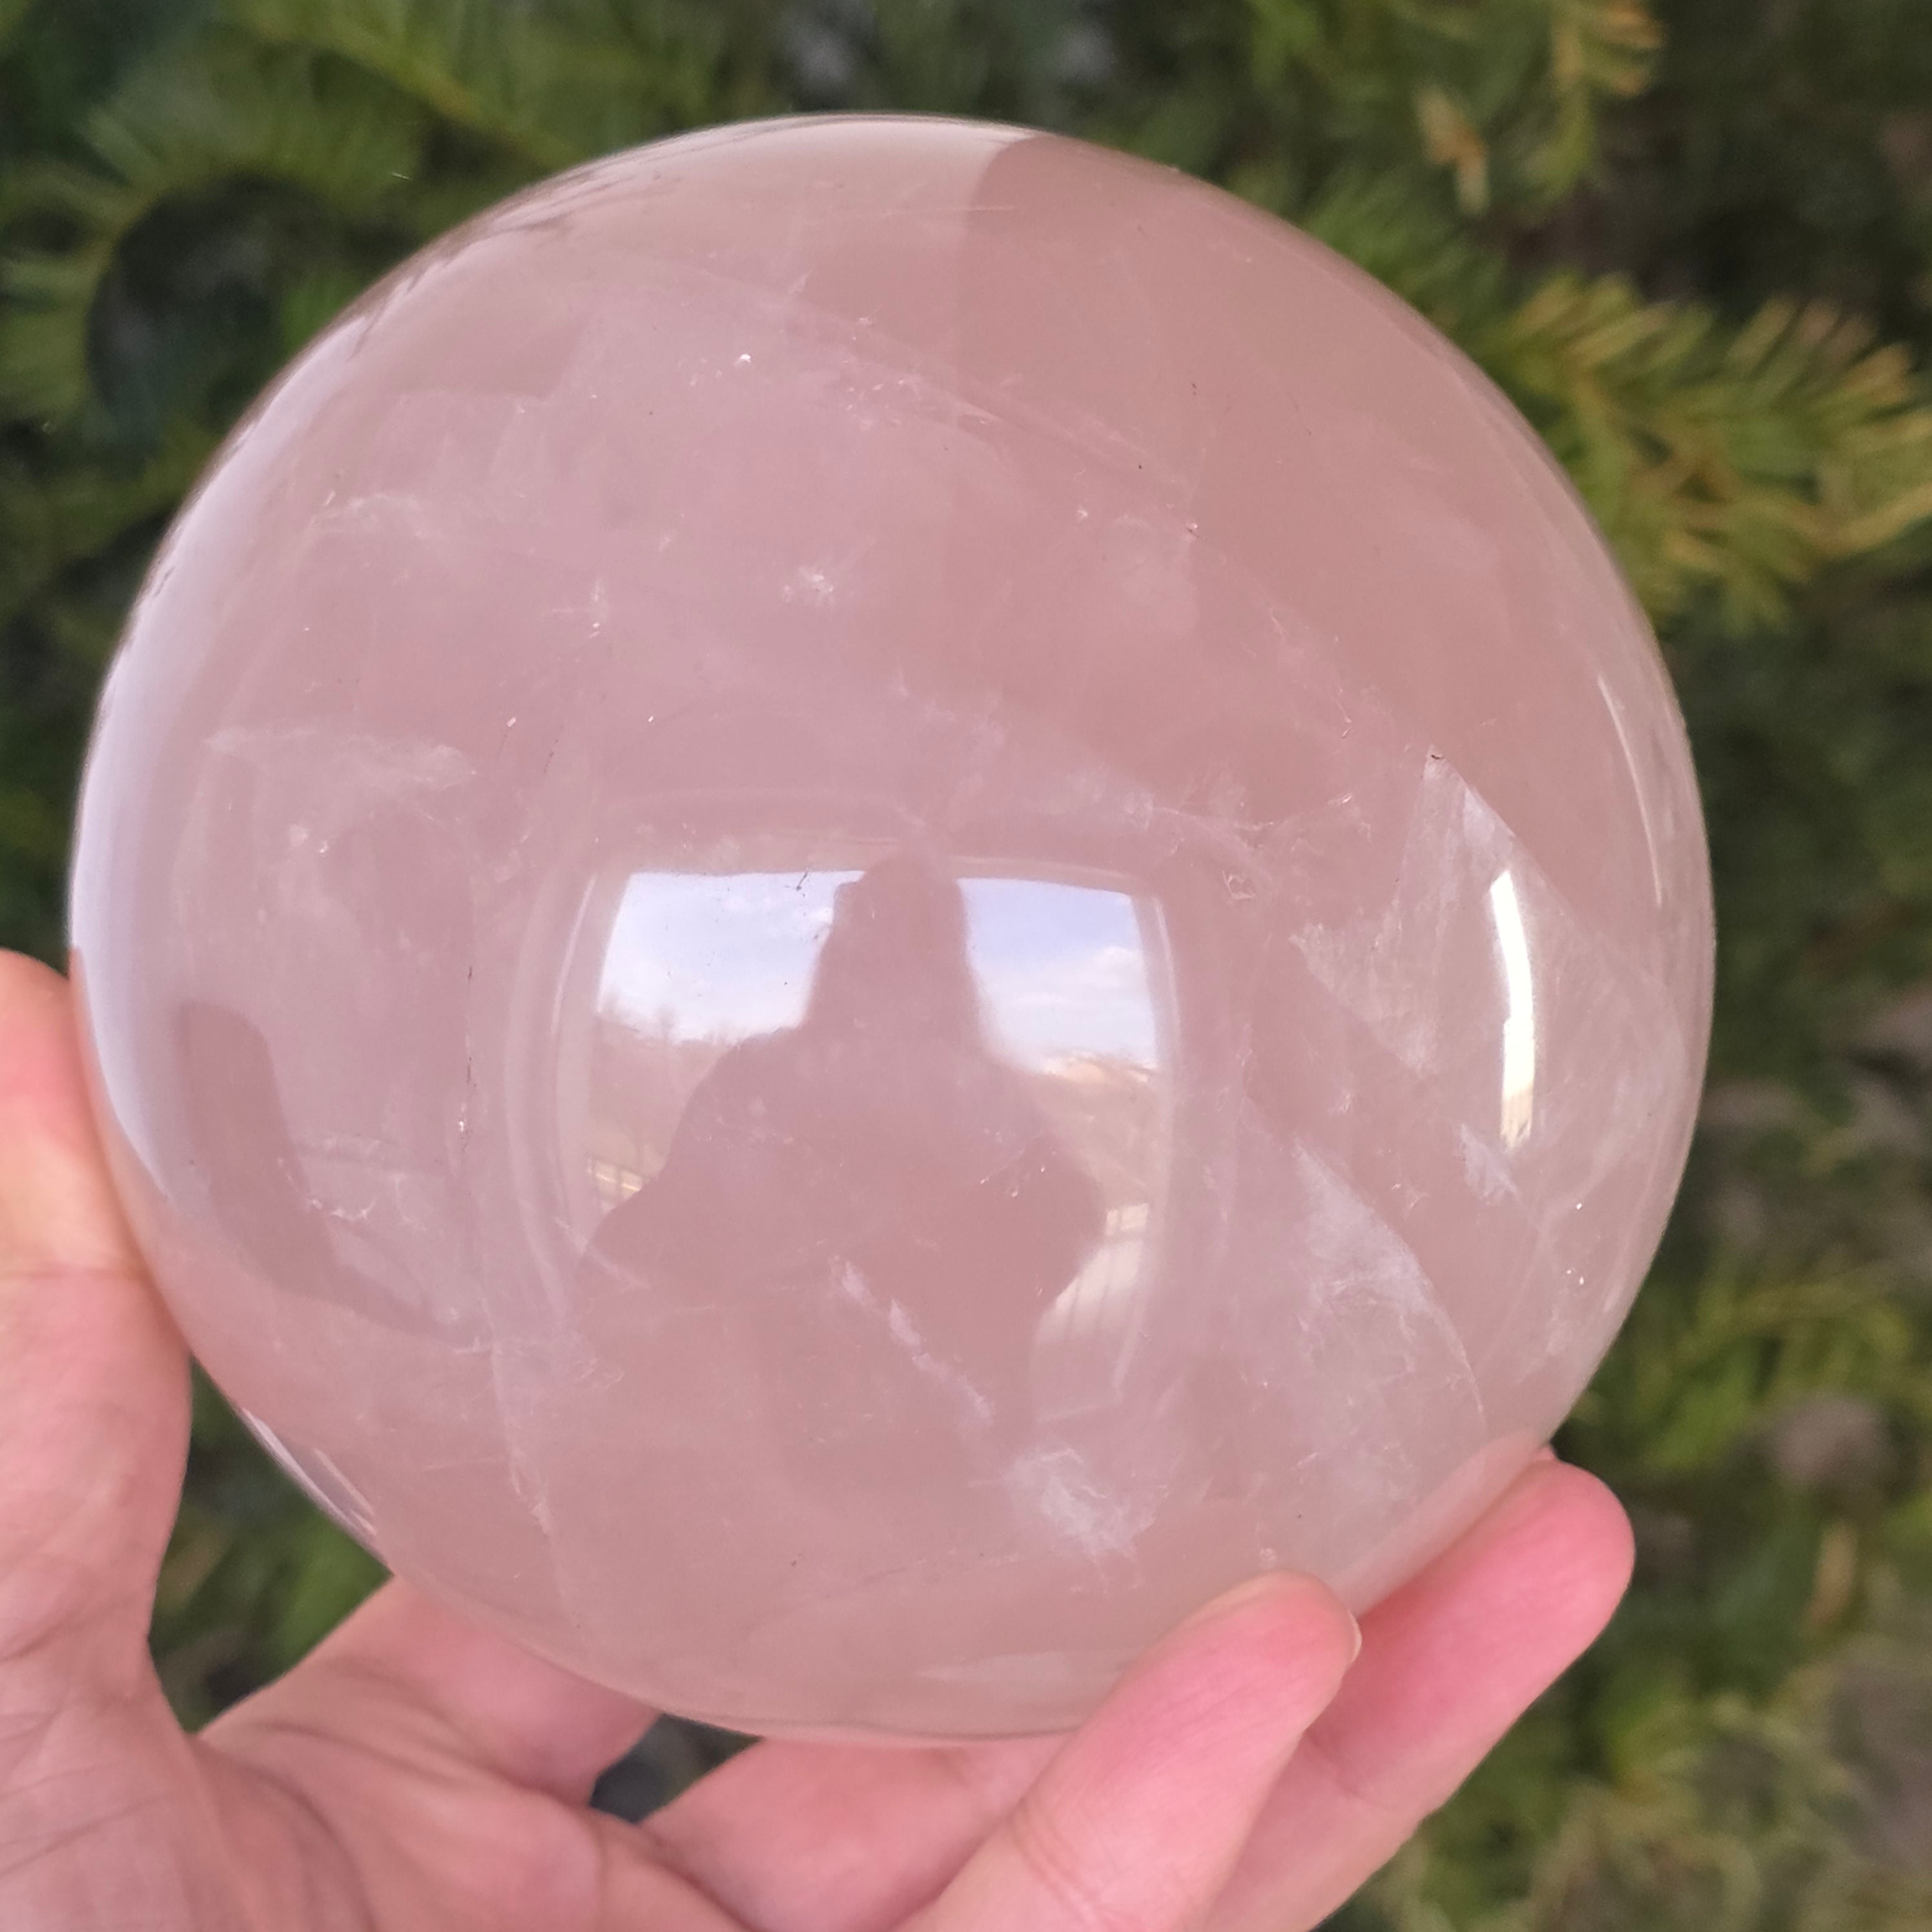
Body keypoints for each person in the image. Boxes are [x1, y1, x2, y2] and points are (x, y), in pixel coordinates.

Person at [0, 949, 1634, 1931]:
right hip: (742, 1475)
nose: (876, 962)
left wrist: (929, 1270)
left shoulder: (1002, 1097)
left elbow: (1063, 1236)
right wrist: (753, 1273)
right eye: (861, 932)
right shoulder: (765, 1073)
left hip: (953, 1472)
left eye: (907, 939)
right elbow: (653, 1239)